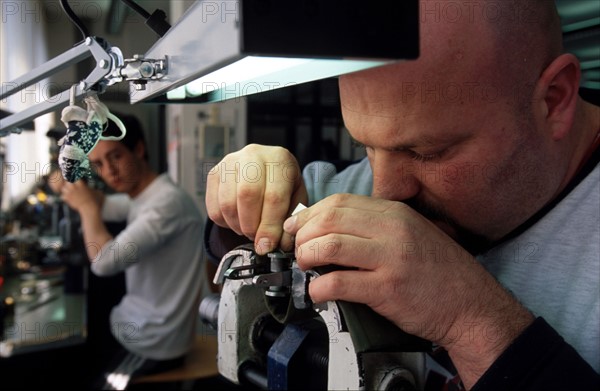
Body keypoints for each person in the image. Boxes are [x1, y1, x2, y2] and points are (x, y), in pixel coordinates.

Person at [205, 1, 599, 389]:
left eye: (427, 153)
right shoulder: (366, 183)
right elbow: (221, 241)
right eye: (366, 147)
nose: (385, 192)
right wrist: (245, 197)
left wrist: (469, 322)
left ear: (554, 100)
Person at [61, 113, 206, 389]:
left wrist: (86, 207)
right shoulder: (145, 196)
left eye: (115, 156)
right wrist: (73, 188)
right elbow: (106, 204)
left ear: (139, 148)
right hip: (135, 328)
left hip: (153, 342)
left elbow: (103, 262)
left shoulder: (166, 203)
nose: (109, 172)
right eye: (99, 164)